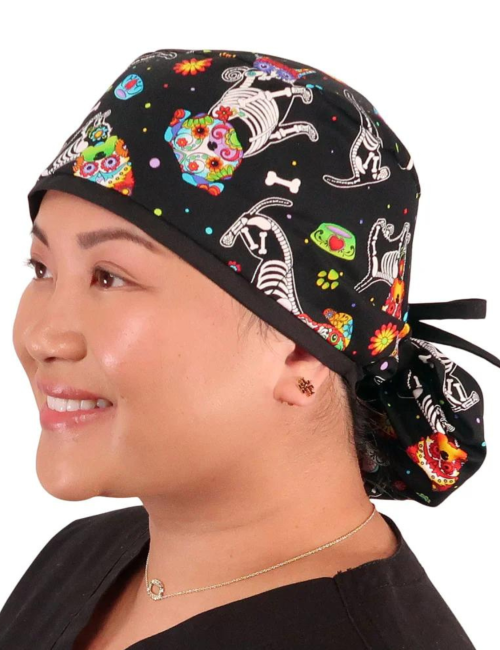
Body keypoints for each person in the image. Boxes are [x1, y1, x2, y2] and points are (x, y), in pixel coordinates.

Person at [1, 47, 498, 649]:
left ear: (301, 352)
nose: (41, 337)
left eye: (110, 277)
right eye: (42, 268)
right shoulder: (80, 559)